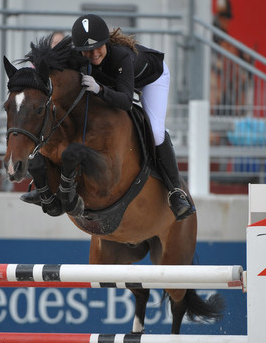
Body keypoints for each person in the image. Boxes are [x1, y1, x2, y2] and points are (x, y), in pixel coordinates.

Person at [71, 14, 195, 221]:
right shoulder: (83, 56)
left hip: (151, 79)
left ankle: (176, 192)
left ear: (106, 43)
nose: (93, 54)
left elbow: (126, 101)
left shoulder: (121, 56)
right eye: (87, 50)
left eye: (98, 47)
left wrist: (99, 89)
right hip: (119, 82)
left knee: (155, 132)